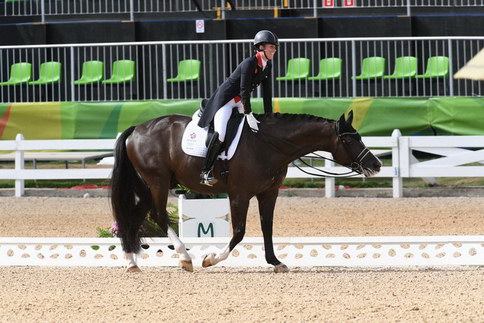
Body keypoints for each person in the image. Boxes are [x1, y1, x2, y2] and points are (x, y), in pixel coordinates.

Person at [197, 30, 278, 186]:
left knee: (248, 134)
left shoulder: (267, 65)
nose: (274, 50)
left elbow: (267, 93)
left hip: (239, 102)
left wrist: (269, 115)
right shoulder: (249, 63)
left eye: (275, 47)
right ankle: (205, 172)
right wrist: (248, 113)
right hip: (226, 102)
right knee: (220, 134)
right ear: (260, 47)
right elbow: (244, 89)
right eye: (271, 47)